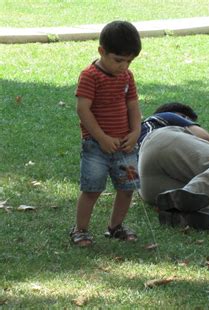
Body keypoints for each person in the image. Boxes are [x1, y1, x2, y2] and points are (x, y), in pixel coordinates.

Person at [70, 21, 142, 246]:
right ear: (101, 51)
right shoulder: (90, 76)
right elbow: (83, 109)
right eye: (119, 60)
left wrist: (136, 132)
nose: (124, 66)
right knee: (92, 189)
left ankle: (115, 227)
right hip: (96, 147)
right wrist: (101, 138)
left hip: (124, 145)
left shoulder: (127, 76)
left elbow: (132, 106)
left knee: (127, 188)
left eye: (129, 61)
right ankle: (80, 230)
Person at [138, 102, 209, 230]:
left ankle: (180, 216)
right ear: (182, 116)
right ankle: (186, 196)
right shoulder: (167, 116)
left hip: (145, 185)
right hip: (161, 139)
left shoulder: (136, 134)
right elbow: (207, 138)